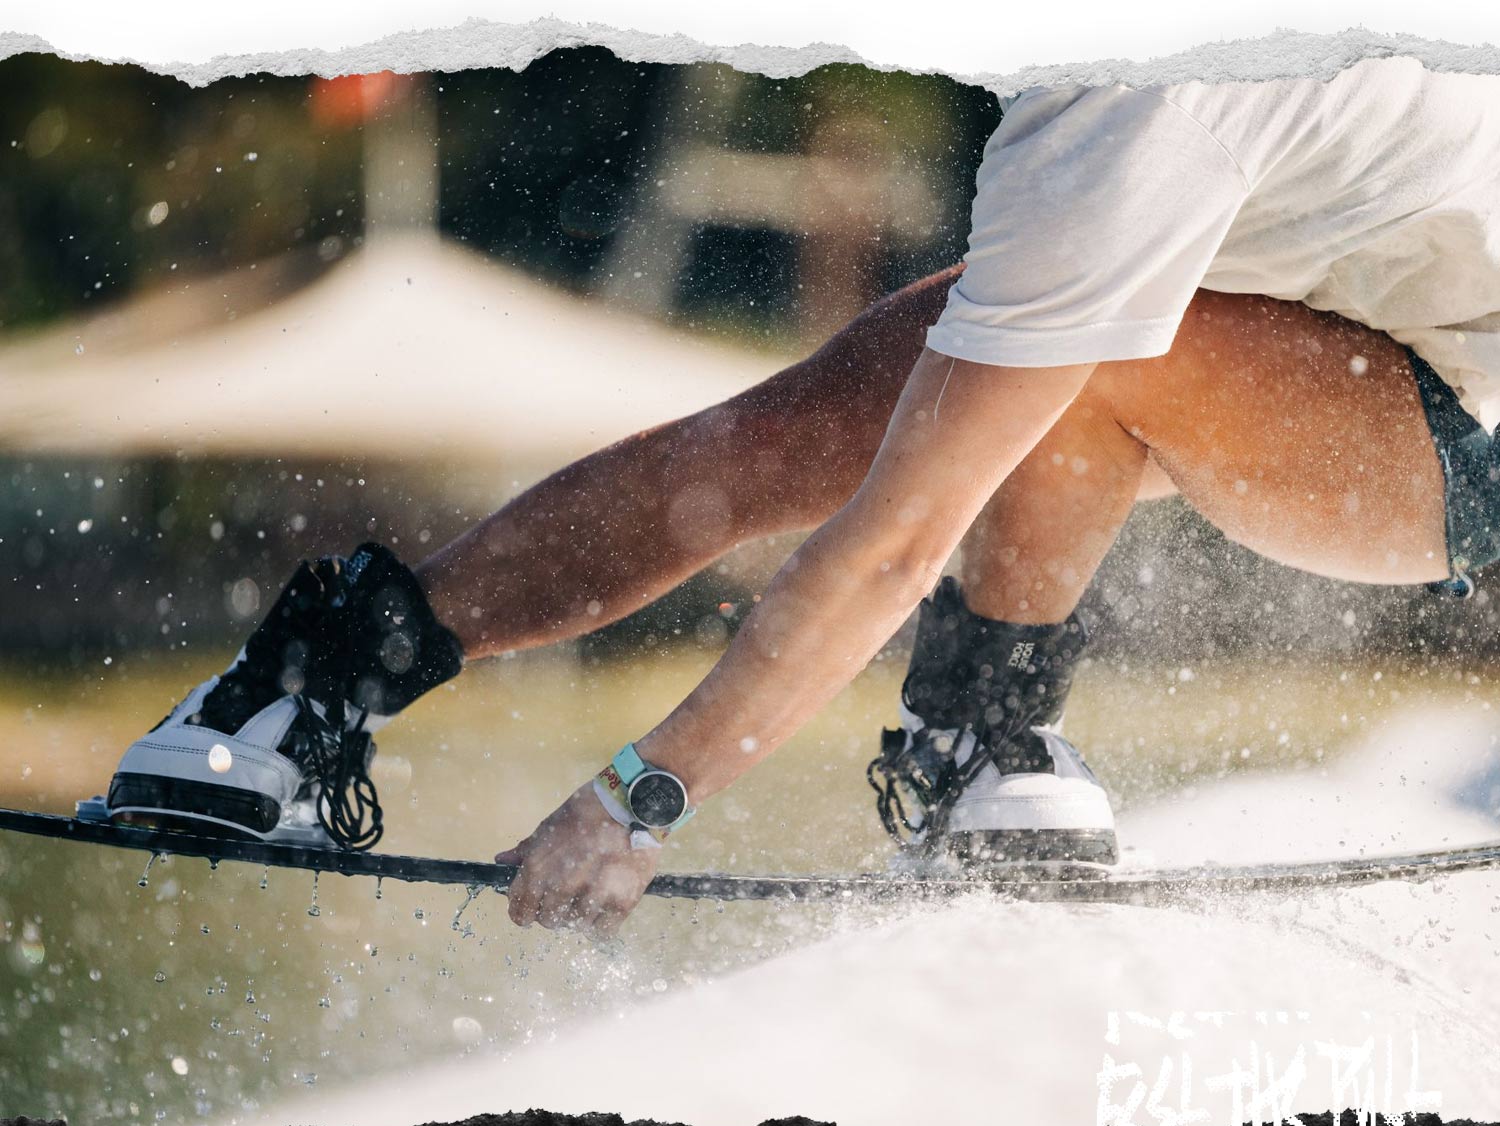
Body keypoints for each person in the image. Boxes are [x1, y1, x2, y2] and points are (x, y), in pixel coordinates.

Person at [108, 56, 1500, 935]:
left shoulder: (1134, 113)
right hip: (1337, 319)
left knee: (1071, 359)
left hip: (1455, 450)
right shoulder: (1095, 117)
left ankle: (983, 742)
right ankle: (297, 688)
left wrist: (640, 797)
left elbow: (896, 548)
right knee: (798, 426)